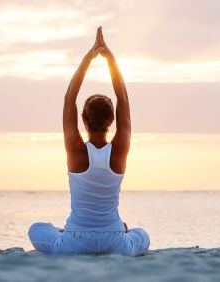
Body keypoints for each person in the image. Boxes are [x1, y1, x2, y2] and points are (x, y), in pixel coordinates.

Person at [28, 27, 150, 256]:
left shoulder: (75, 150)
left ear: (83, 119)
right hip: (115, 241)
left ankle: (62, 232)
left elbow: (69, 97)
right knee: (143, 235)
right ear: (112, 120)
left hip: (76, 241)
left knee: (36, 229)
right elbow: (122, 96)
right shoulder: (119, 151)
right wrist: (109, 58)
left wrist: (89, 58)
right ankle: (122, 230)